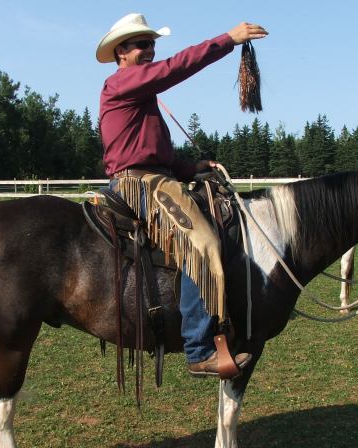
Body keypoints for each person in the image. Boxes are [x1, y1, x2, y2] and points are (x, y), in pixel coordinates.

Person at [96, 13, 268, 377]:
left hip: (155, 176)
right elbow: (177, 67)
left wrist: (195, 168)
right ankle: (199, 348)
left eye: (152, 44)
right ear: (120, 53)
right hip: (139, 183)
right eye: (141, 45)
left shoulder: (139, 97)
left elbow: (161, 156)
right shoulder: (122, 83)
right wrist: (227, 39)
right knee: (202, 242)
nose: (150, 50)